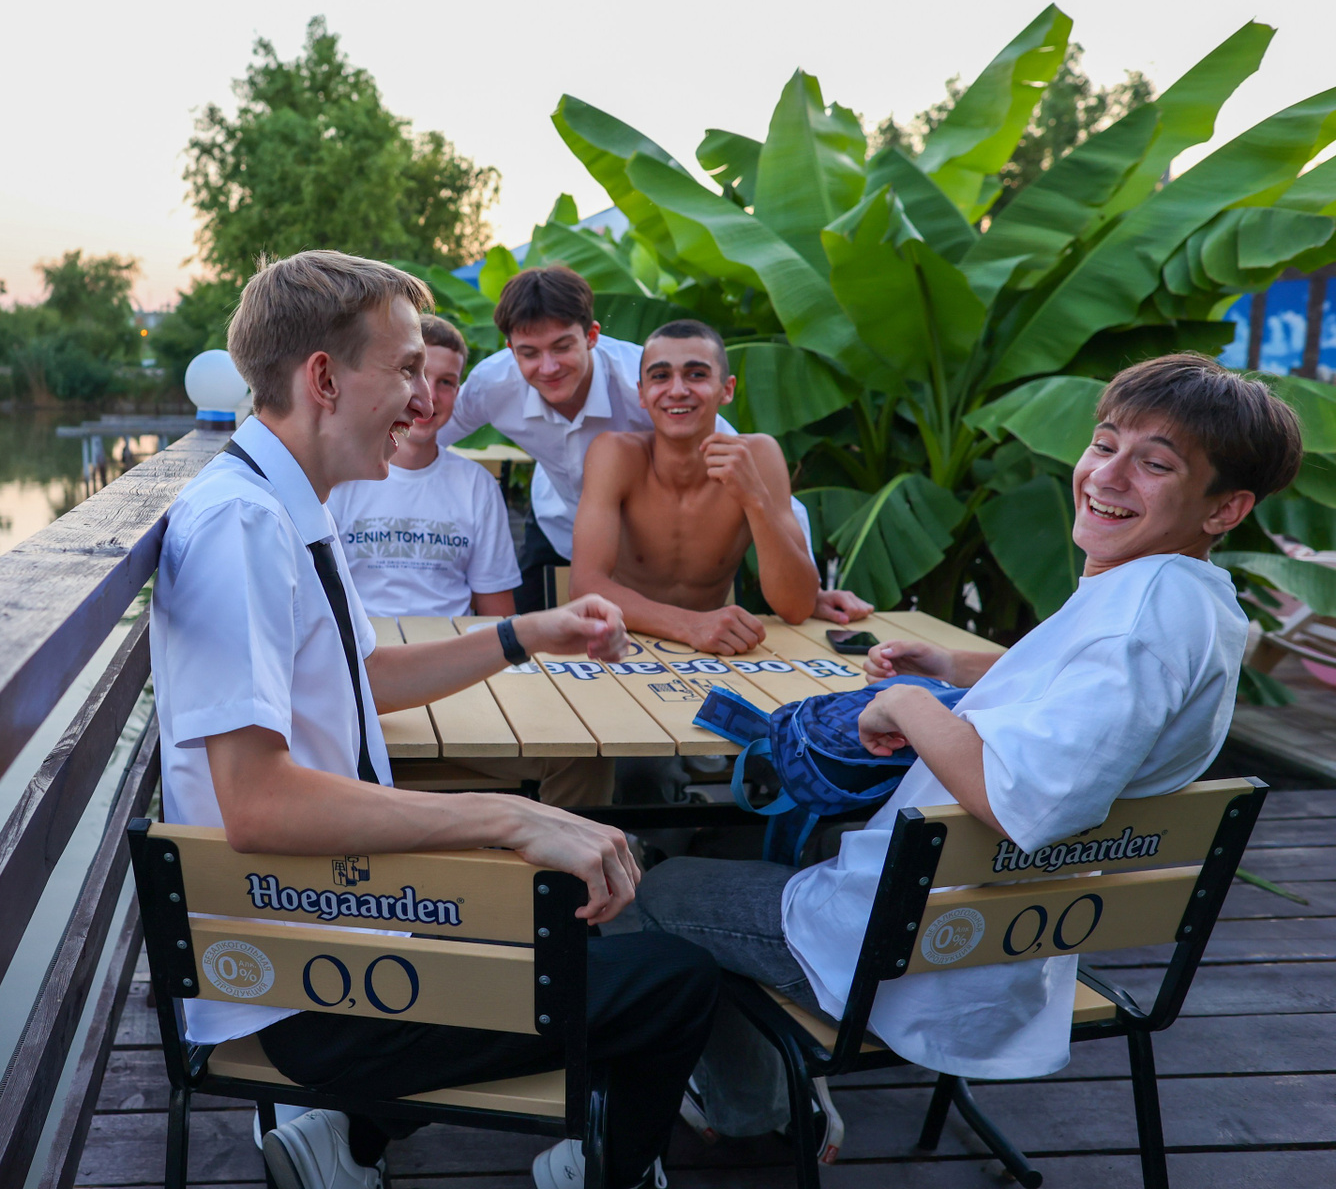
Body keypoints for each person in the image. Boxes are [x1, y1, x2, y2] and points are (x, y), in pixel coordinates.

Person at [618, 352, 1303, 1136]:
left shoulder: (1134, 629)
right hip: (1015, 930)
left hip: (920, 959)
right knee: (767, 848)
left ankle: (755, 1108)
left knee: (647, 891)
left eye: (1154, 464)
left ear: (1225, 508)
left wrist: (907, 702)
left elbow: (1023, 802)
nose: (1108, 476)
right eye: (1105, 444)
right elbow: (1080, 695)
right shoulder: (1186, 599)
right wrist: (951, 666)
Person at [152, 250, 718, 1189]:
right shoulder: (241, 528)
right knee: (675, 981)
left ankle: (356, 1140)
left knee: (574, 924)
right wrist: (514, 816)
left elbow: (361, 677)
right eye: (408, 369)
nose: (427, 402)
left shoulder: (286, 501)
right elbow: (255, 804)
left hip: (333, 918)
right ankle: (596, 1167)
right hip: (302, 985)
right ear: (325, 379)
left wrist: (525, 634)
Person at [438, 264, 868, 624]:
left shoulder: (651, 382)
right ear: (511, 349)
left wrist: (810, 589)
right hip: (555, 519)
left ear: (591, 336)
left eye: (562, 347)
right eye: (529, 353)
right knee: (534, 644)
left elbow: (754, 476)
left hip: (640, 538)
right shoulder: (494, 384)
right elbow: (430, 430)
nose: (547, 367)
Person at [571, 319, 842, 655]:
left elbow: (796, 606)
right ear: (641, 393)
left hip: (714, 654)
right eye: (660, 376)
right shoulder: (616, 454)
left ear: (726, 389)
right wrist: (690, 626)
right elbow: (585, 586)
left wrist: (755, 499)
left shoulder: (758, 456)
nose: (677, 390)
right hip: (626, 644)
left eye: (696, 374)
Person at [326, 316, 520, 619]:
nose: (429, 396)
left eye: (446, 382)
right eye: (414, 375)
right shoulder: (339, 478)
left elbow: (497, 614)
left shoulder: (476, 485)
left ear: (458, 393)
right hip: (364, 645)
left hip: (454, 646)